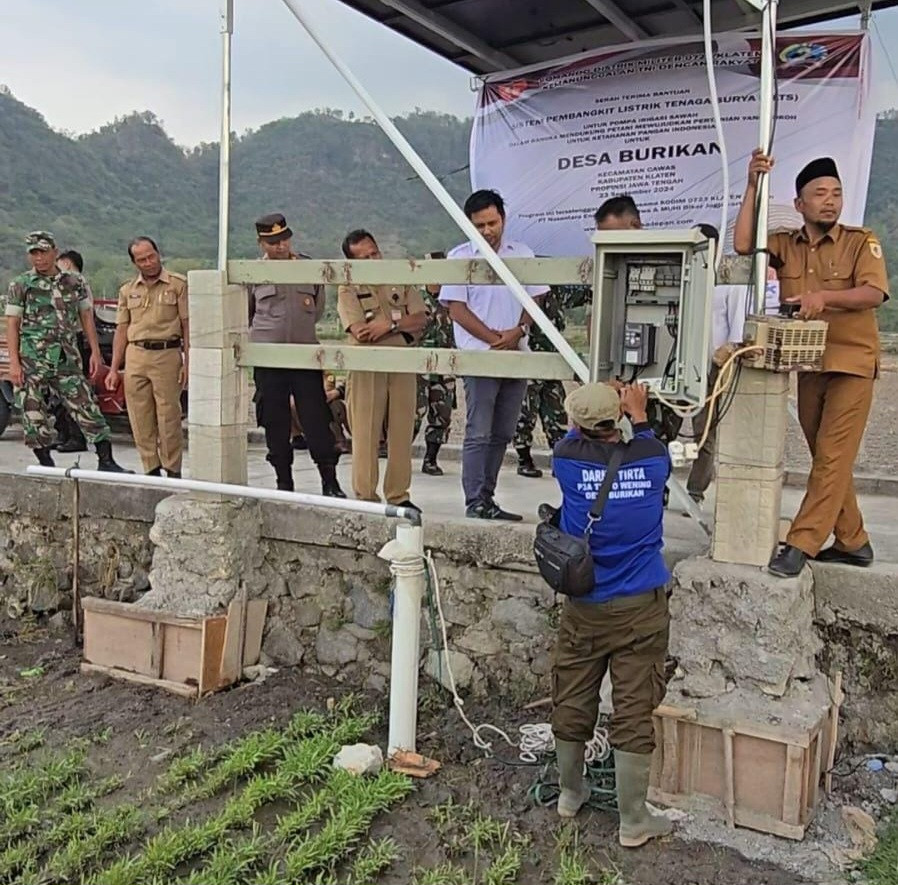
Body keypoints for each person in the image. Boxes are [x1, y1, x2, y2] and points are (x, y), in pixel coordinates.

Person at [734, 152, 890, 577]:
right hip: (810, 363)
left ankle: (801, 542)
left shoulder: (861, 241)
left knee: (833, 456)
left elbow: (874, 293)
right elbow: (744, 245)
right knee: (826, 456)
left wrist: (824, 298)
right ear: (799, 203)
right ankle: (854, 540)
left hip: (852, 364)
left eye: (836, 193)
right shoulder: (787, 244)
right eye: (819, 193)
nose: (830, 201)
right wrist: (751, 186)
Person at [548, 382, 673, 847]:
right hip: (641, 607)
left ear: (578, 425)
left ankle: (569, 793)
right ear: (617, 417)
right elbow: (644, 440)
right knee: (634, 706)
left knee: (574, 694)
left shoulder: (565, 457)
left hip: (585, 607)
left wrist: (589, 411)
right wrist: (637, 412)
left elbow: (574, 435)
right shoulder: (653, 456)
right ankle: (634, 820)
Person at [440, 189, 549, 520]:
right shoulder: (459, 258)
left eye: (492, 222)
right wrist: (493, 339)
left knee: (503, 430)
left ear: (503, 218)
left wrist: (518, 332)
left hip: (516, 352)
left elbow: (537, 298)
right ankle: (475, 500)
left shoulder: (523, 254)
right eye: (480, 225)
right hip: (480, 357)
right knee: (479, 431)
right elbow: (456, 310)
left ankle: (488, 495)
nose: (488, 230)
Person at [4, 231, 130, 472]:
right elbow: (12, 323)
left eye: (42, 252)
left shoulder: (74, 282)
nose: (38, 258)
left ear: (54, 251)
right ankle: (46, 464)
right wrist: (14, 363)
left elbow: (86, 317)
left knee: (86, 406)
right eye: (33, 253)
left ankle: (106, 460)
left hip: (66, 358)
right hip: (33, 359)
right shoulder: (21, 284)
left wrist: (95, 352)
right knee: (33, 414)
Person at [249, 213, 344, 497]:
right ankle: (283, 482)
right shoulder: (252, 272)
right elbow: (247, 313)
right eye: (273, 242)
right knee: (274, 420)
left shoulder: (307, 267)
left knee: (316, 418)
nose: (280, 246)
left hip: (304, 356)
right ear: (261, 243)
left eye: (284, 240)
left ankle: (329, 480)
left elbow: (316, 309)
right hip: (269, 359)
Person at [686, 224, 781, 505]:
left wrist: (726, 359)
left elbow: (738, 327)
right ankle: (667, 487)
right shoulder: (689, 276)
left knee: (711, 430)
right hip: (691, 364)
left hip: (721, 364)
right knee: (694, 428)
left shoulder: (730, 278)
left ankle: (696, 490)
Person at [337, 230, 428, 510]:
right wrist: (399, 323)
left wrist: (387, 325)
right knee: (365, 431)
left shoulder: (400, 277)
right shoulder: (348, 287)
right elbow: (360, 331)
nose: (373, 259)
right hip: (366, 364)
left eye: (374, 252)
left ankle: (399, 495)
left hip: (401, 361)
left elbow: (421, 319)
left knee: (402, 430)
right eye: (364, 257)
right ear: (352, 261)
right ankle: (366, 496)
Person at [106, 237, 188, 478]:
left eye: (151, 256)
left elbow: (187, 326)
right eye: (142, 259)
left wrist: (188, 362)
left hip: (167, 354)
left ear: (158, 253)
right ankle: (150, 468)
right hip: (136, 355)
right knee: (139, 416)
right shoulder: (127, 290)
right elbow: (121, 330)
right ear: (135, 263)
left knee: (168, 416)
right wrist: (113, 369)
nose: (149, 262)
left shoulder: (177, 284)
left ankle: (173, 470)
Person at [512, 284, 590, 478]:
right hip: (529, 360)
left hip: (551, 361)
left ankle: (560, 460)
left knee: (557, 413)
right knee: (525, 413)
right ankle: (524, 459)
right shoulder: (519, 292)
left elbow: (587, 293)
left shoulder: (558, 292)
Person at [415, 264, 456, 476]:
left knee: (442, 415)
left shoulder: (452, 300)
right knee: (413, 414)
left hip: (445, 366)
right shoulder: (416, 298)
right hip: (420, 366)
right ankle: (401, 456)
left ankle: (430, 459)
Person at [50, 249, 91, 452]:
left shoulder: (76, 283)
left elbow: (85, 315)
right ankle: (63, 434)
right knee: (58, 394)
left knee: (73, 392)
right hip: (57, 343)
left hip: (73, 342)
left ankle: (76, 437)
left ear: (67, 263)